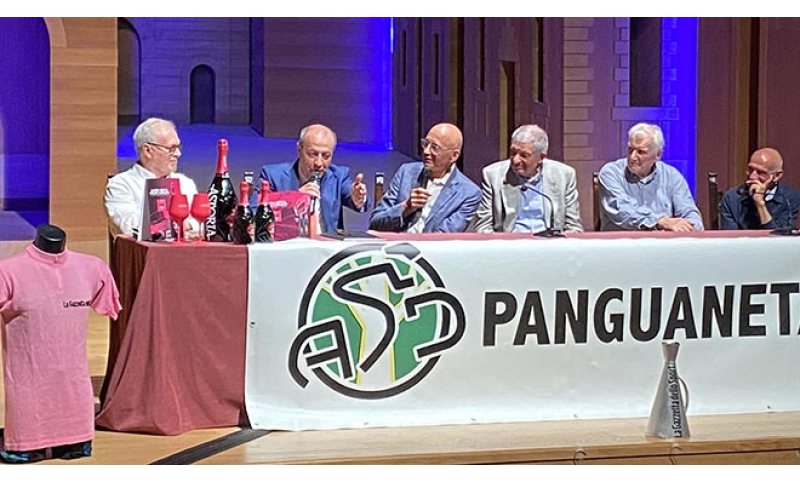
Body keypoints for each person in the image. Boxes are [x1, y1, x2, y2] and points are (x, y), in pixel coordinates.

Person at [0, 224, 121, 463]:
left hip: (78, 415)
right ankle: (30, 446)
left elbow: (110, 306)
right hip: (27, 412)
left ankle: (71, 441)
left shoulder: (93, 268)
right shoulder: (7, 272)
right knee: (25, 428)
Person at [251, 124, 368, 233]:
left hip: (327, 245)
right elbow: (254, 211)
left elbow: (356, 199)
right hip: (287, 243)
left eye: (326, 156)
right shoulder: (272, 175)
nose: (319, 163)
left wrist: (358, 199)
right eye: (313, 154)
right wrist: (294, 199)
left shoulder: (339, 176)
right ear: (299, 149)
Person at [471, 124, 583, 234]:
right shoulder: (493, 175)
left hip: (549, 242)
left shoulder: (564, 175)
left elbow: (574, 227)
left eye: (524, 155)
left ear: (541, 157)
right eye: (513, 153)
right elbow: (483, 227)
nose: (515, 160)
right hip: (510, 242)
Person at [369, 123, 480, 233]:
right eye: (425, 144)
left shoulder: (468, 193)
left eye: (435, 148)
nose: (426, 151)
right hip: (395, 242)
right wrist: (406, 207)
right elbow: (375, 223)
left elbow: (444, 237)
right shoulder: (406, 173)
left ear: (454, 156)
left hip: (430, 244)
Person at [598, 123, 703, 231]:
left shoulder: (671, 176)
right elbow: (622, 210)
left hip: (664, 241)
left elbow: (688, 211)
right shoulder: (611, 173)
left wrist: (691, 227)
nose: (632, 157)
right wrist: (659, 221)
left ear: (658, 155)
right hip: (623, 241)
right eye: (630, 149)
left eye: (640, 152)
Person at [104, 118, 198, 237]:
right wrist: (179, 224)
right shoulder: (121, 185)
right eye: (171, 149)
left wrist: (187, 224)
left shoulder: (185, 183)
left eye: (178, 148)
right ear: (148, 151)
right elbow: (130, 227)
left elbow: (202, 223)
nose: (178, 154)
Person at [719, 147, 800, 230]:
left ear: (777, 176)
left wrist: (760, 205)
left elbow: (779, 236)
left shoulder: (790, 198)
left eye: (761, 172)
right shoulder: (731, 197)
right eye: (750, 169)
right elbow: (730, 236)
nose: (752, 176)